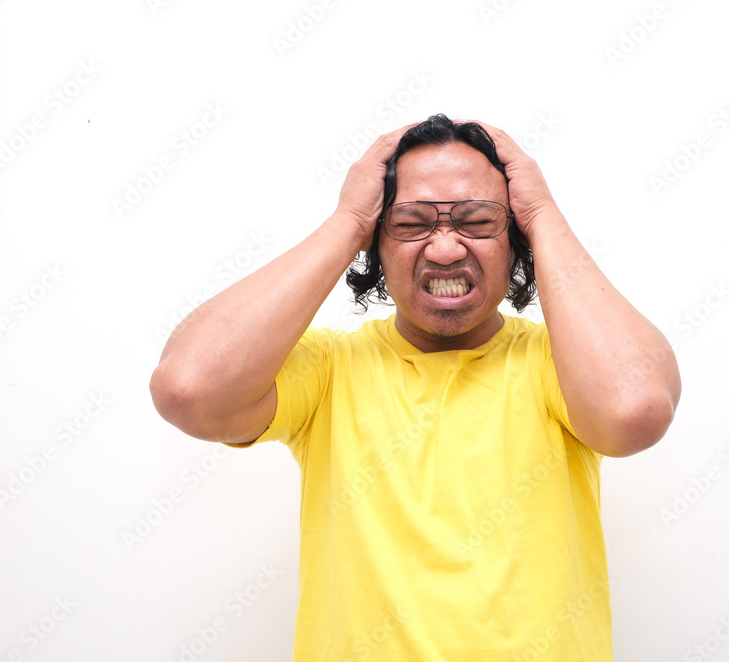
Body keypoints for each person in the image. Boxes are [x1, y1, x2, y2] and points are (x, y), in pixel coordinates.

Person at [150, 114, 682, 660]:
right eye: (410, 224)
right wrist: (348, 220)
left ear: (516, 242)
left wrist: (544, 218)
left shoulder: (557, 363)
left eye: (478, 222)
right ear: (375, 246)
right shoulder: (331, 368)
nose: (446, 249)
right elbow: (188, 389)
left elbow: (634, 409)